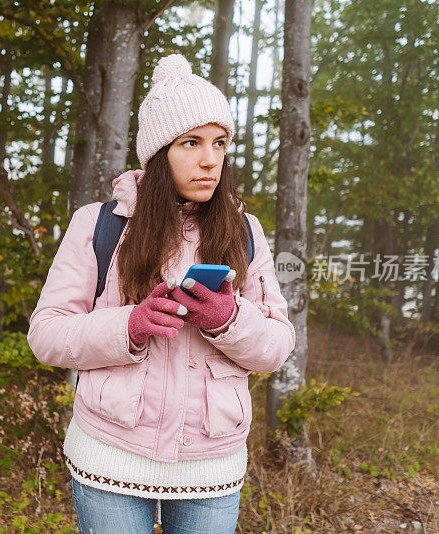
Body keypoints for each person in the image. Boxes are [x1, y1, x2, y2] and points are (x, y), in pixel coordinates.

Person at [27, 53, 295, 534]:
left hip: (211, 466)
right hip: (110, 456)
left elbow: (276, 347)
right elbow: (46, 334)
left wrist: (228, 319)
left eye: (219, 143)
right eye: (191, 142)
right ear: (158, 151)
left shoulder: (246, 231)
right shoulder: (99, 224)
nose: (210, 159)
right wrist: (128, 324)